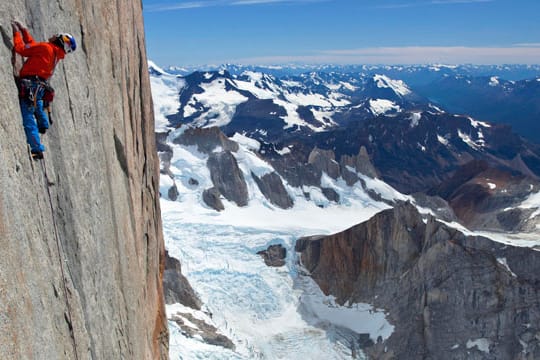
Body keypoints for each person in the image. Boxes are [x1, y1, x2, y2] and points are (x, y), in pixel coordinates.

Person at [12, 21, 76, 160]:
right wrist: (24, 31)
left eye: (57, 35)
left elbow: (22, 49)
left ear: (60, 40)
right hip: (39, 85)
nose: (53, 35)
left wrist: (17, 32)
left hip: (30, 84)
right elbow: (35, 48)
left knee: (28, 116)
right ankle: (43, 123)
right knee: (37, 103)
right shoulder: (54, 54)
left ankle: (37, 148)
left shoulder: (46, 48)